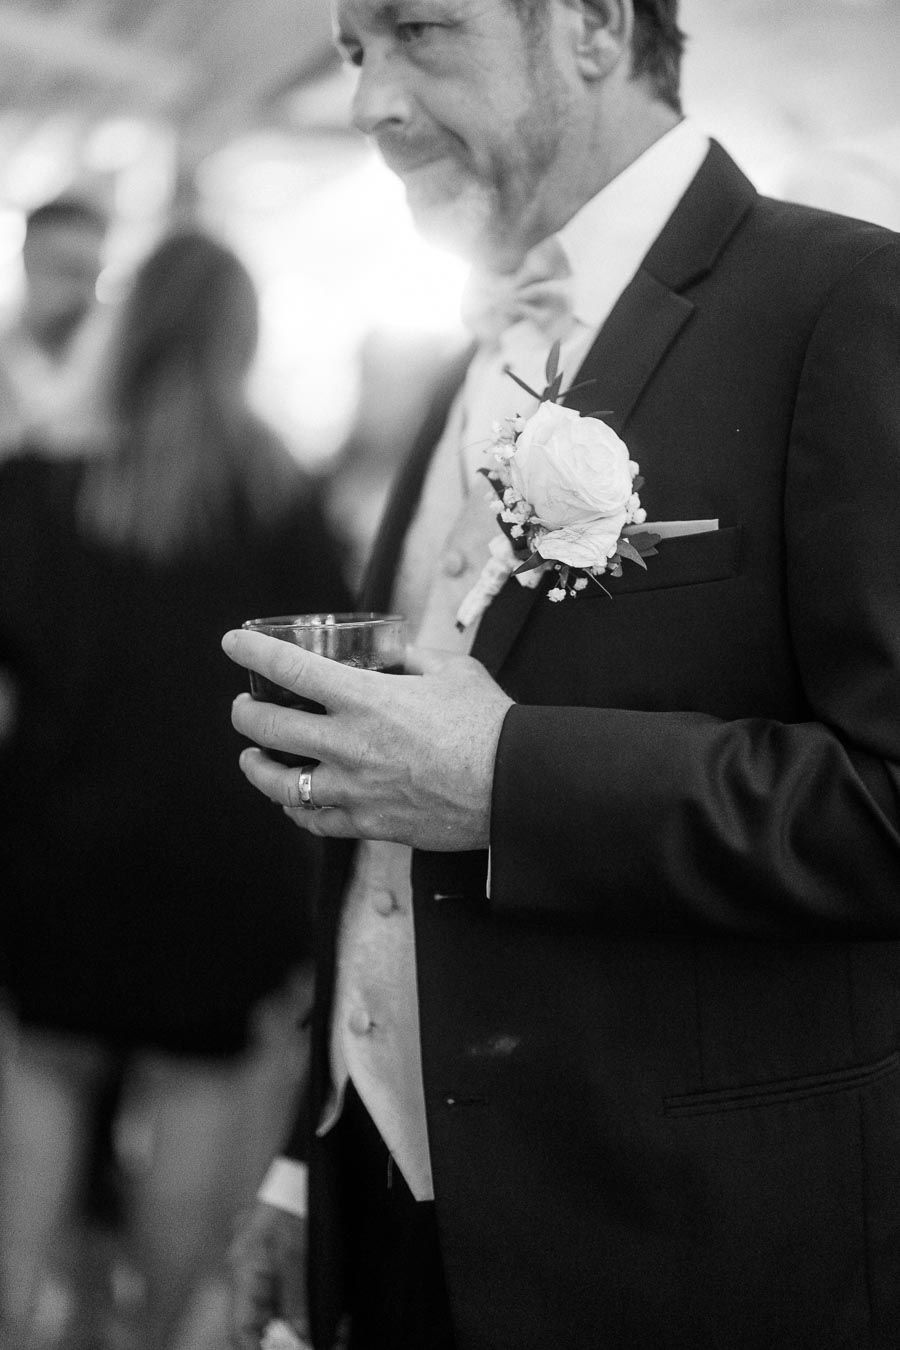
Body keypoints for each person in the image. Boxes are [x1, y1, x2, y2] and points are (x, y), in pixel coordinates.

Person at [224, 1, 900, 1346]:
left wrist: (508, 777)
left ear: (593, 25)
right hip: (399, 1203)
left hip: (680, 1254)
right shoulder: (458, 351)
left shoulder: (847, 299)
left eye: (421, 33)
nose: (369, 102)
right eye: (357, 52)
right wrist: (314, 1164)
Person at [0, 227, 352, 1348]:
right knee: (197, 1108)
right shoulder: (285, 502)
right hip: (222, 864)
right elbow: (328, 691)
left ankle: (56, 1316)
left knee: (40, 1105)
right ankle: (148, 1334)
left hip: (53, 854)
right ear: (243, 340)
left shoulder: (33, 490)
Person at [0, 193, 112, 461]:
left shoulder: (118, 354)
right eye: (65, 270)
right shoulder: (8, 349)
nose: (79, 290)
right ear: (28, 261)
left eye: (90, 273)